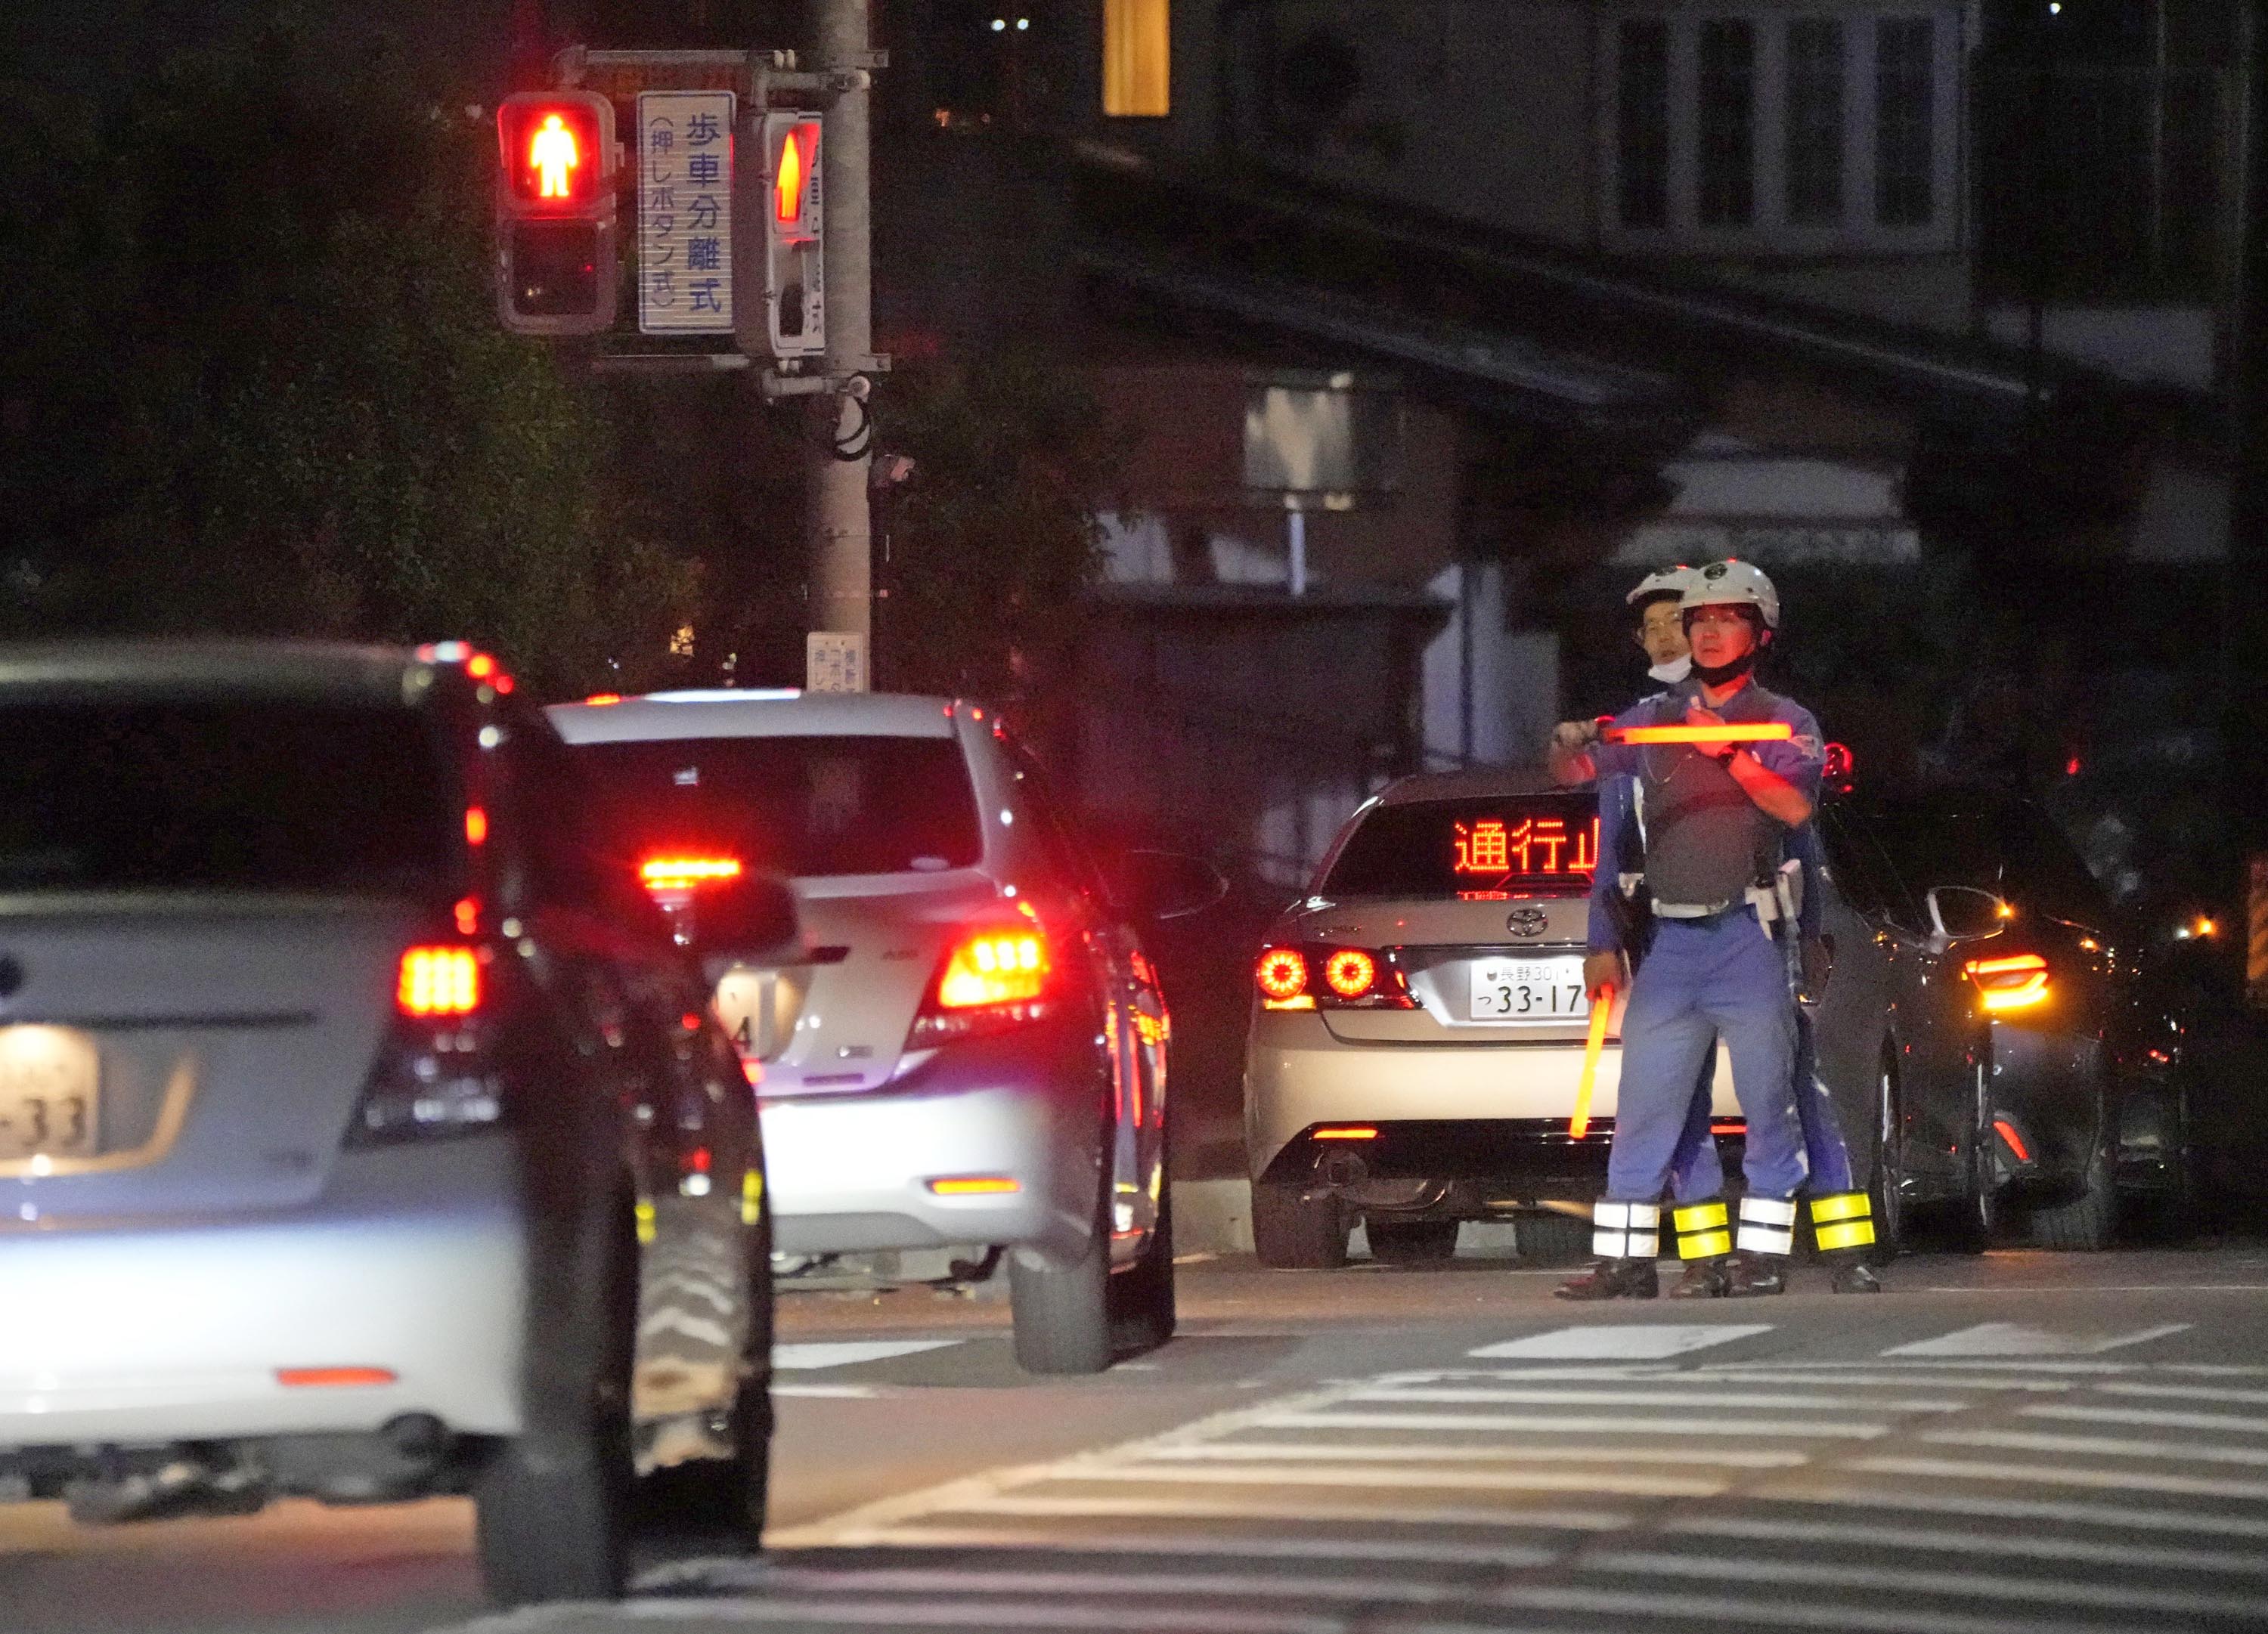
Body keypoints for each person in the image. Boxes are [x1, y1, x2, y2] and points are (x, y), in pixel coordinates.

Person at [1555, 560, 1871, 1299]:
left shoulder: (1784, 719)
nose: (1697, 631)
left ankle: (1792, 1253)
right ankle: (1636, 1262)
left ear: (1760, 630)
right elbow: (1593, 796)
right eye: (1688, 620)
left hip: (1754, 932)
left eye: (1718, 617)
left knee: (1779, 1098)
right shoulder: (1649, 722)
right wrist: (1572, 740)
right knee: (1649, 1103)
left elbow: (1797, 818)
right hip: (1671, 937)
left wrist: (1727, 749)